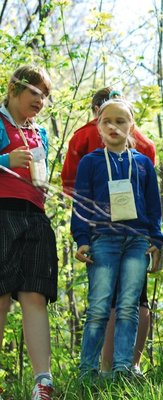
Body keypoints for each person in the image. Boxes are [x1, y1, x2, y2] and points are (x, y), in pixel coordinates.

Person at [61, 87, 156, 376]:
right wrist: (82, 239)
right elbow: (82, 204)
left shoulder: (142, 163)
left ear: (132, 127)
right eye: (107, 121)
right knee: (100, 306)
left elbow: (153, 204)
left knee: (129, 306)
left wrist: (157, 239)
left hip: (137, 242)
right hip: (103, 240)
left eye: (121, 121)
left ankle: (123, 368)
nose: (114, 126)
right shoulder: (90, 162)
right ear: (98, 126)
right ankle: (88, 371)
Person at [0, 65, 56, 399]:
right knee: (1, 297)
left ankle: (43, 382)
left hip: (35, 215)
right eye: (36, 92)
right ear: (15, 88)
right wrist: (5, 157)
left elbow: (41, 174)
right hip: (2, 212)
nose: (41, 100)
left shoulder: (41, 133)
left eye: (45, 95)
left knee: (35, 295)